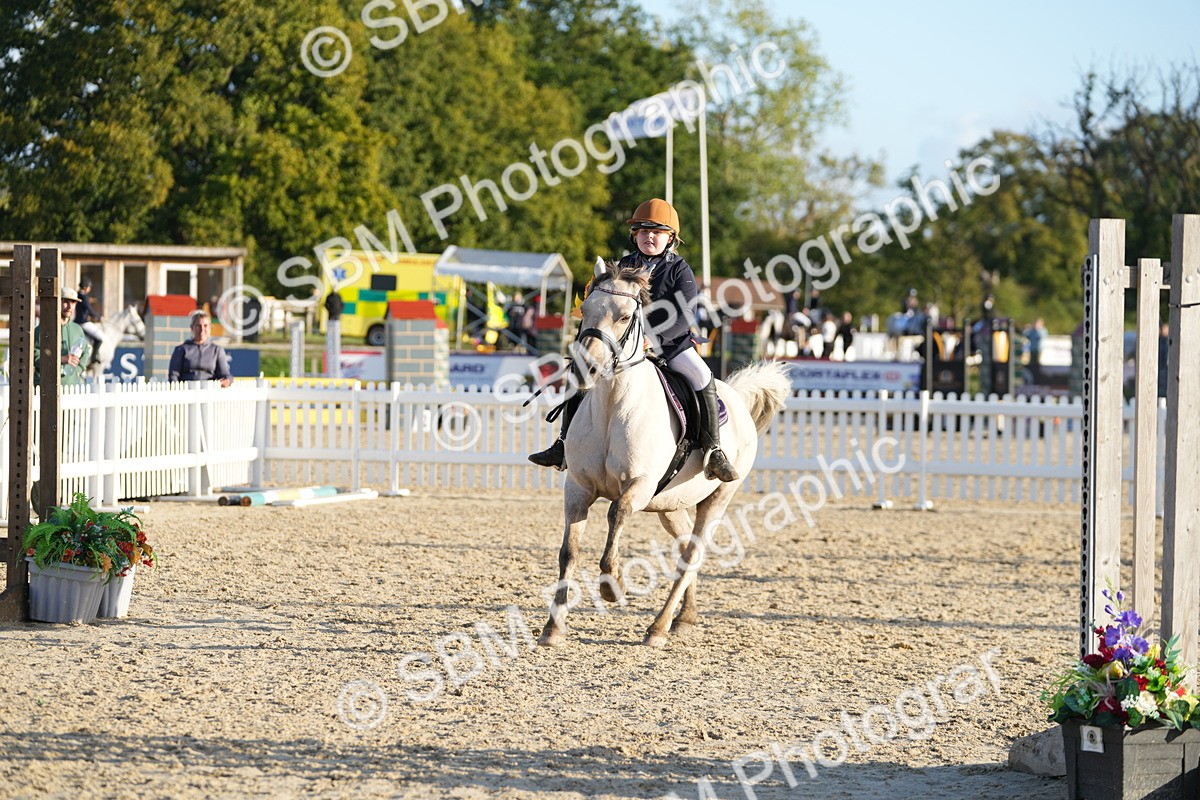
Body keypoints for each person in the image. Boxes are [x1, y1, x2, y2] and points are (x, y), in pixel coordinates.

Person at [529, 198, 739, 482]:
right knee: (581, 370)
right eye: (643, 231)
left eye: (657, 232)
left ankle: (713, 450)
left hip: (670, 344)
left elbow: (687, 314)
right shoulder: (623, 266)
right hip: (621, 346)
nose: (649, 236)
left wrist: (653, 340)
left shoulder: (679, 269)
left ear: (670, 237)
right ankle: (563, 444)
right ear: (635, 236)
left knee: (702, 375)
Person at [34, 287, 92, 386]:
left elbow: (85, 352)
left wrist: (78, 370)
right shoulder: (42, 329)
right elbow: (34, 356)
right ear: (57, 302)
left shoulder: (77, 329)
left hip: (70, 388)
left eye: (73, 302)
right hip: (44, 388)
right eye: (65, 301)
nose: (69, 306)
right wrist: (60, 359)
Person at [169, 311, 232, 386]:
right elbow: (173, 375)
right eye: (198, 326)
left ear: (210, 328)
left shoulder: (217, 350)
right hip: (187, 389)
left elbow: (225, 374)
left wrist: (227, 381)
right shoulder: (181, 349)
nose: (202, 329)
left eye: (205, 326)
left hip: (209, 390)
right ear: (192, 328)